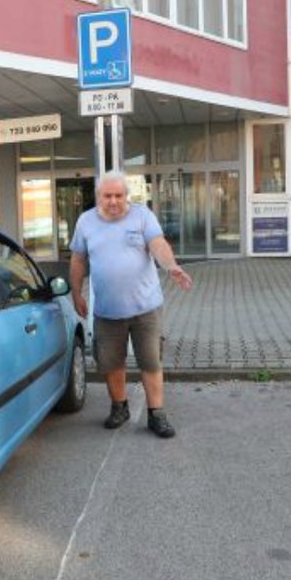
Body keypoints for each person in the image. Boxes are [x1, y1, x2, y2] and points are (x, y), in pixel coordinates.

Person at [69, 170, 193, 438]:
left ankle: (156, 414)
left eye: (118, 195)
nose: (113, 201)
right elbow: (78, 259)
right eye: (107, 196)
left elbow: (157, 243)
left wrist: (171, 266)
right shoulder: (85, 222)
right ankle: (119, 407)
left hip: (146, 307)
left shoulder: (142, 216)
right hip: (107, 310)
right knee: (111, 363)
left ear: (127, 195)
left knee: (150, 361)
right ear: (98, 196)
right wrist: (76, 293)